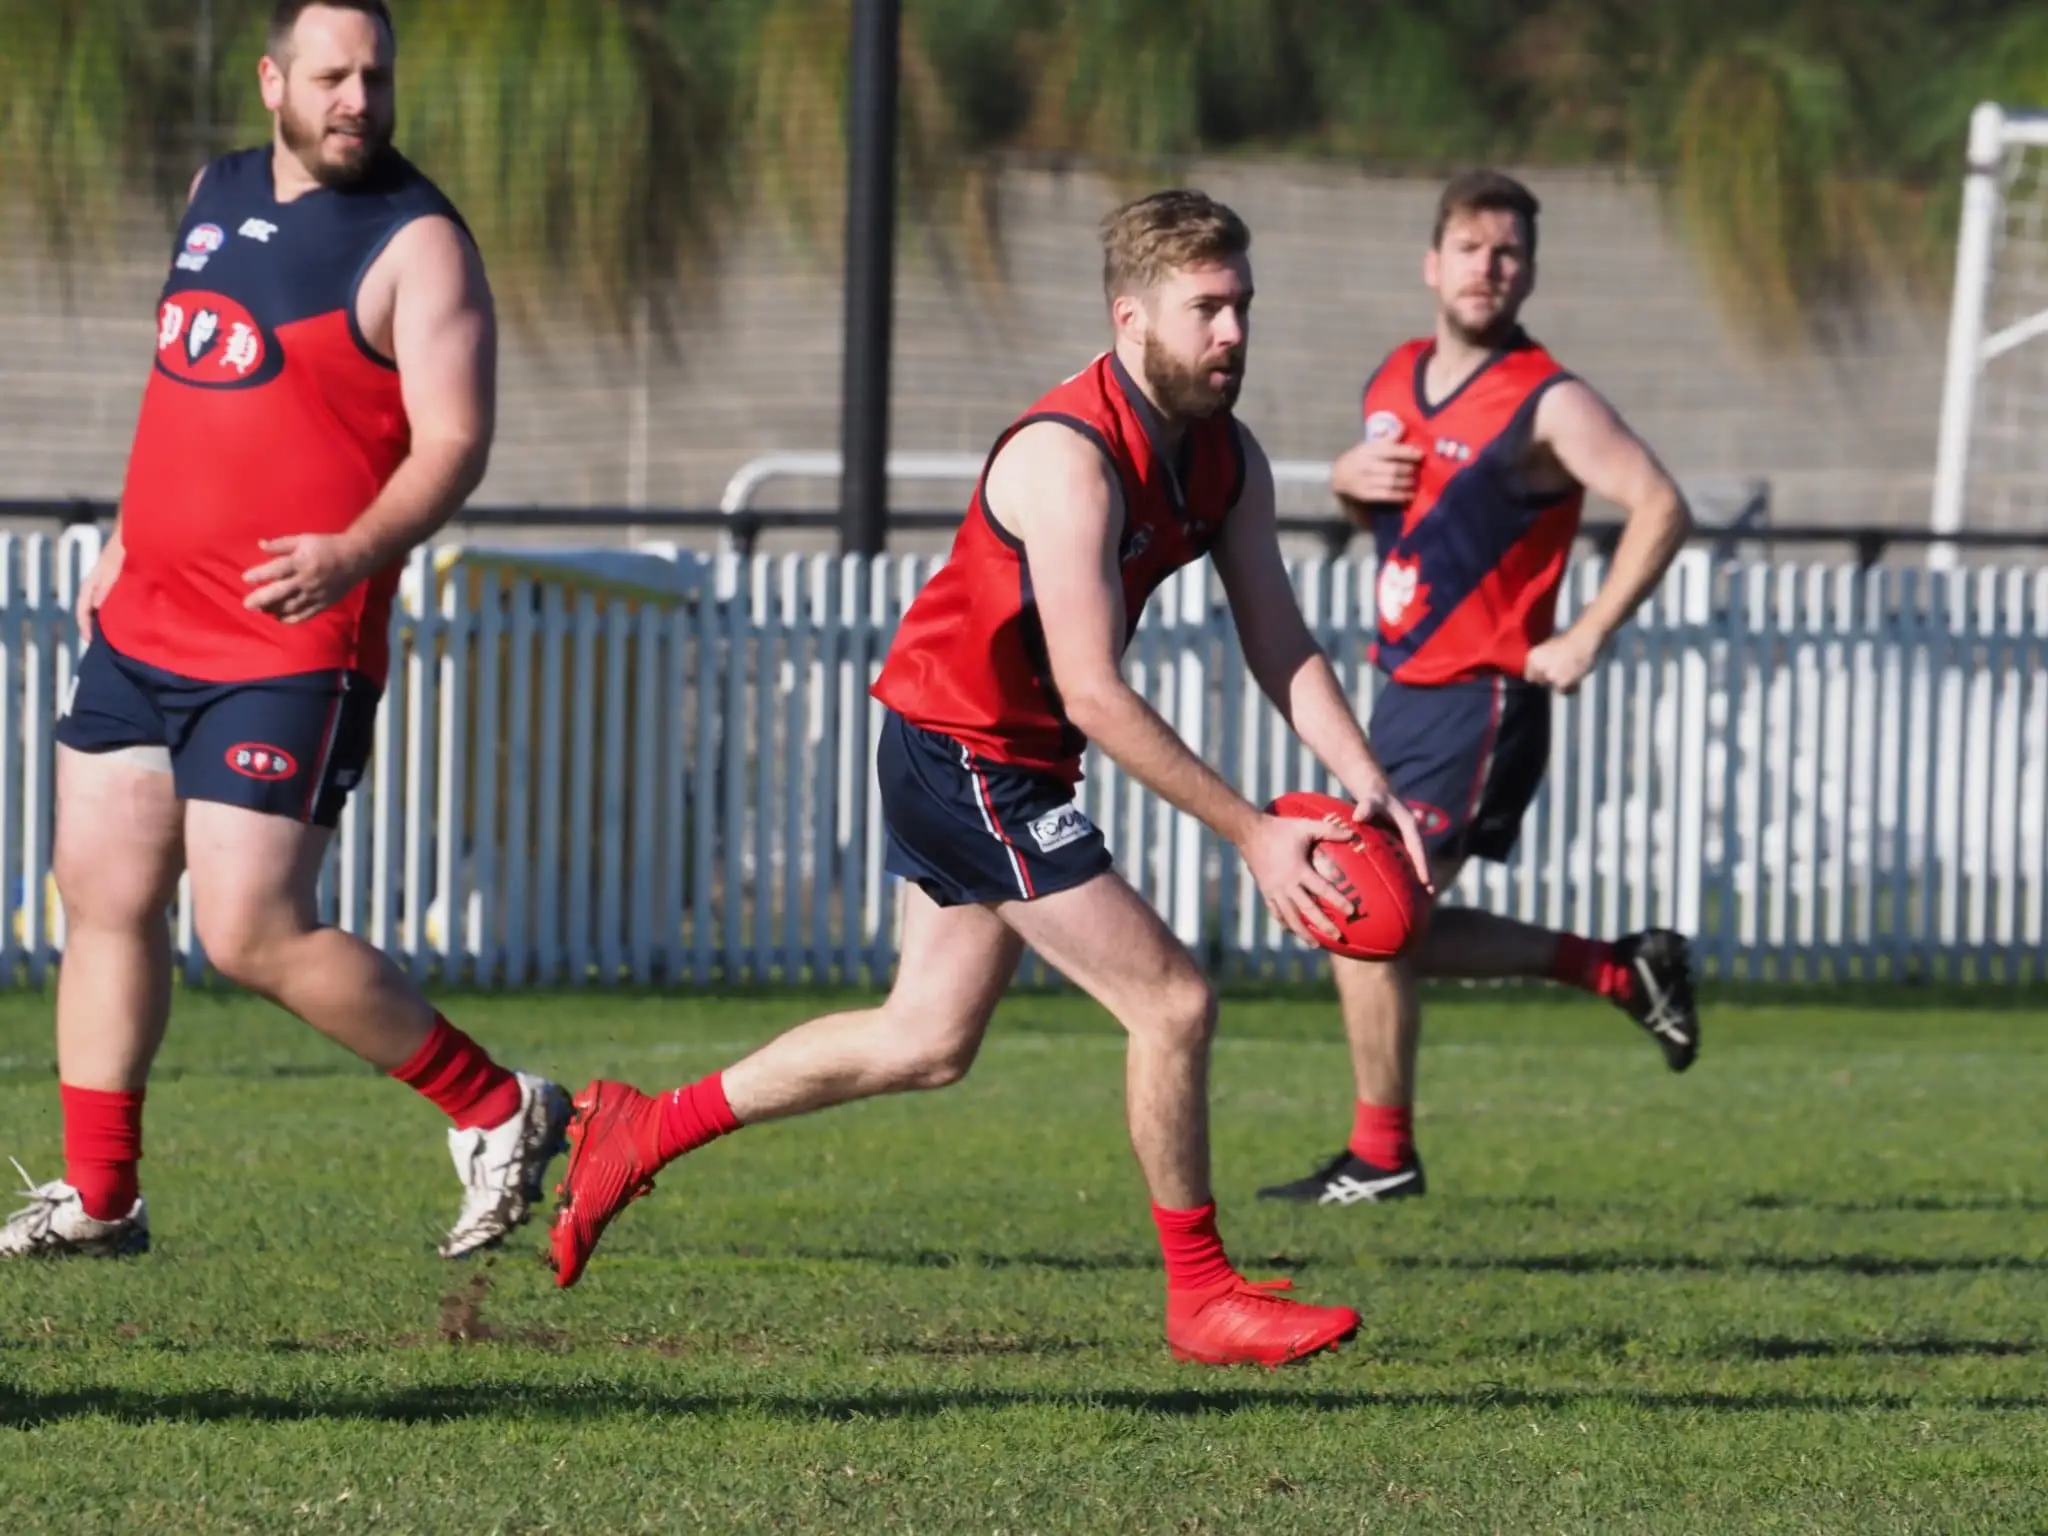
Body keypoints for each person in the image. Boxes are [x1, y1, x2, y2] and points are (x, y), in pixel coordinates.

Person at [546, 190, 1432, 1367]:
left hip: (992, 754)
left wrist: (1362, 777)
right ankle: (1200, 1296)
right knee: (1171, 1002)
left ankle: (640, 1127)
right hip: (965, 755)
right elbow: (1093, 695)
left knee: (925, 1040)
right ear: (1130, 317)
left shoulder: (1226, 457)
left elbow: (1277, 638)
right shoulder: (1065, 459)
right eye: (1205, 309)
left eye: (1242, 307)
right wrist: (1251, 831)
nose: (1233, 334)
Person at [1, 0, 566, 1261]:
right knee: (98, 889)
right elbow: (190, 377)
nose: (357, 98)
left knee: (248, 928)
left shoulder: (417, 242)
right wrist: (125, 535)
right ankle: (99, 1196)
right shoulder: (212, 189)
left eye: (374, 76)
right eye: (331, 76)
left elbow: (455, 442)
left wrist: (354, 552)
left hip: (285, 641)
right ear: (272, 82)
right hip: (143, 622)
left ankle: (496, 1107)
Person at [1257, 170, 1700, 1209]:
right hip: (1400, 688)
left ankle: (1381, 1156)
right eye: (1470, 248)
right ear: (1432, 263)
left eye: (1507, 253)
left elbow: (1659, 505)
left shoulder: (1549, 398)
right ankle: (1614, 970)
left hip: (1482, 697)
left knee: (1359, 904)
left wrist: (1584, 632)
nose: (1487, 268)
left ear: (1528, 274)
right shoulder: (1392, 376)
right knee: (1373, 917)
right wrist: (1339, 481)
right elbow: (1407, 526)